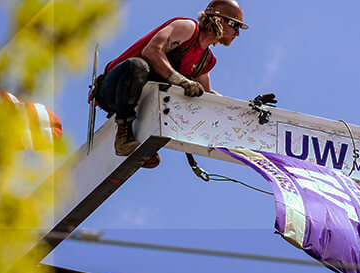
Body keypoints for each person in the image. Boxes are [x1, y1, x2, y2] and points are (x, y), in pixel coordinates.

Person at [90, 0, 247, 168]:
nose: (237, 33)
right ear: (220, 19)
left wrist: (244, 110)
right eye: (235, 26)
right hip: (112, 89)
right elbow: (152, 51)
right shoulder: (188, 28)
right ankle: (123, 137)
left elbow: (207, 96)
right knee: (137, 66)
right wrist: (182, 81)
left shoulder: (205, 60)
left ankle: (137, 144)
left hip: (137, 99)